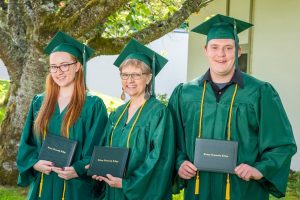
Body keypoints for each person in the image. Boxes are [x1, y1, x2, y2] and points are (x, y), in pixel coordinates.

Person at [168, 14, 297, 200]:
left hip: (243, 191)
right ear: (206, 50)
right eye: (215, 47)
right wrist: (179, 163)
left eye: (228, 48)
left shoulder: (260, 92)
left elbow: (282, 143)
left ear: (238, 52)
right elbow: (171, 139)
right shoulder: (185, 93)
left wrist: (259, 170)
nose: (221, 54)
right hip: (198, 189)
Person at [16, 31, 108, 200]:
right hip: (43, 185)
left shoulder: (93, 105)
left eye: (64, 65)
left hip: (75, 187)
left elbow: (99, 146)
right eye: (53, 67)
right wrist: (35, 163)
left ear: (78, 65)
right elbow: (27, 142)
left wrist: (78, 169)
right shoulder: (39, 101)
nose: (58, 71)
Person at [91, 38, 175, 200]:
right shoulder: (117, 113)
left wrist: (127, 183)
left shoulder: (159, 113)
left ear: (149, 78)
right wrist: (98, 169)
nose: (129, 80)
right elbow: (105, 148)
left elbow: (160, 158)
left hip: (138, 191)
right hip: (113, 190)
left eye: (136, 75)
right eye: (125, 75)